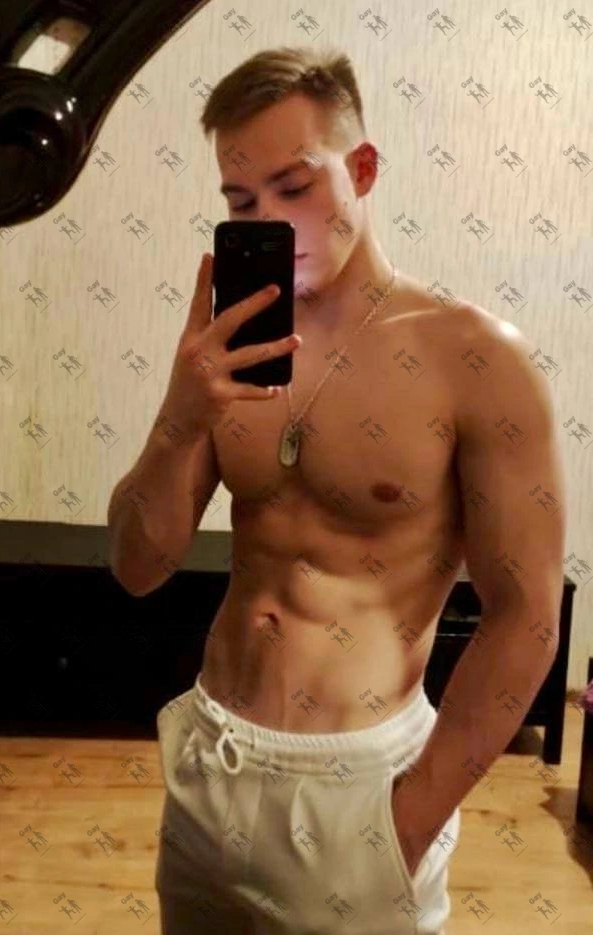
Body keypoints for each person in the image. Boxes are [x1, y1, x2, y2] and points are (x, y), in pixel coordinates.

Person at [108, 46, 566, 935]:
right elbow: (136, 566)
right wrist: (178, 417)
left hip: (361, 787)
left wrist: (410, 821)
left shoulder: (476, 359)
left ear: (361, 169)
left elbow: (527, 618)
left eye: (294, 185)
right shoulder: (228, 350)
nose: (272, 221)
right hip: (210, 762)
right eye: (243, 203)